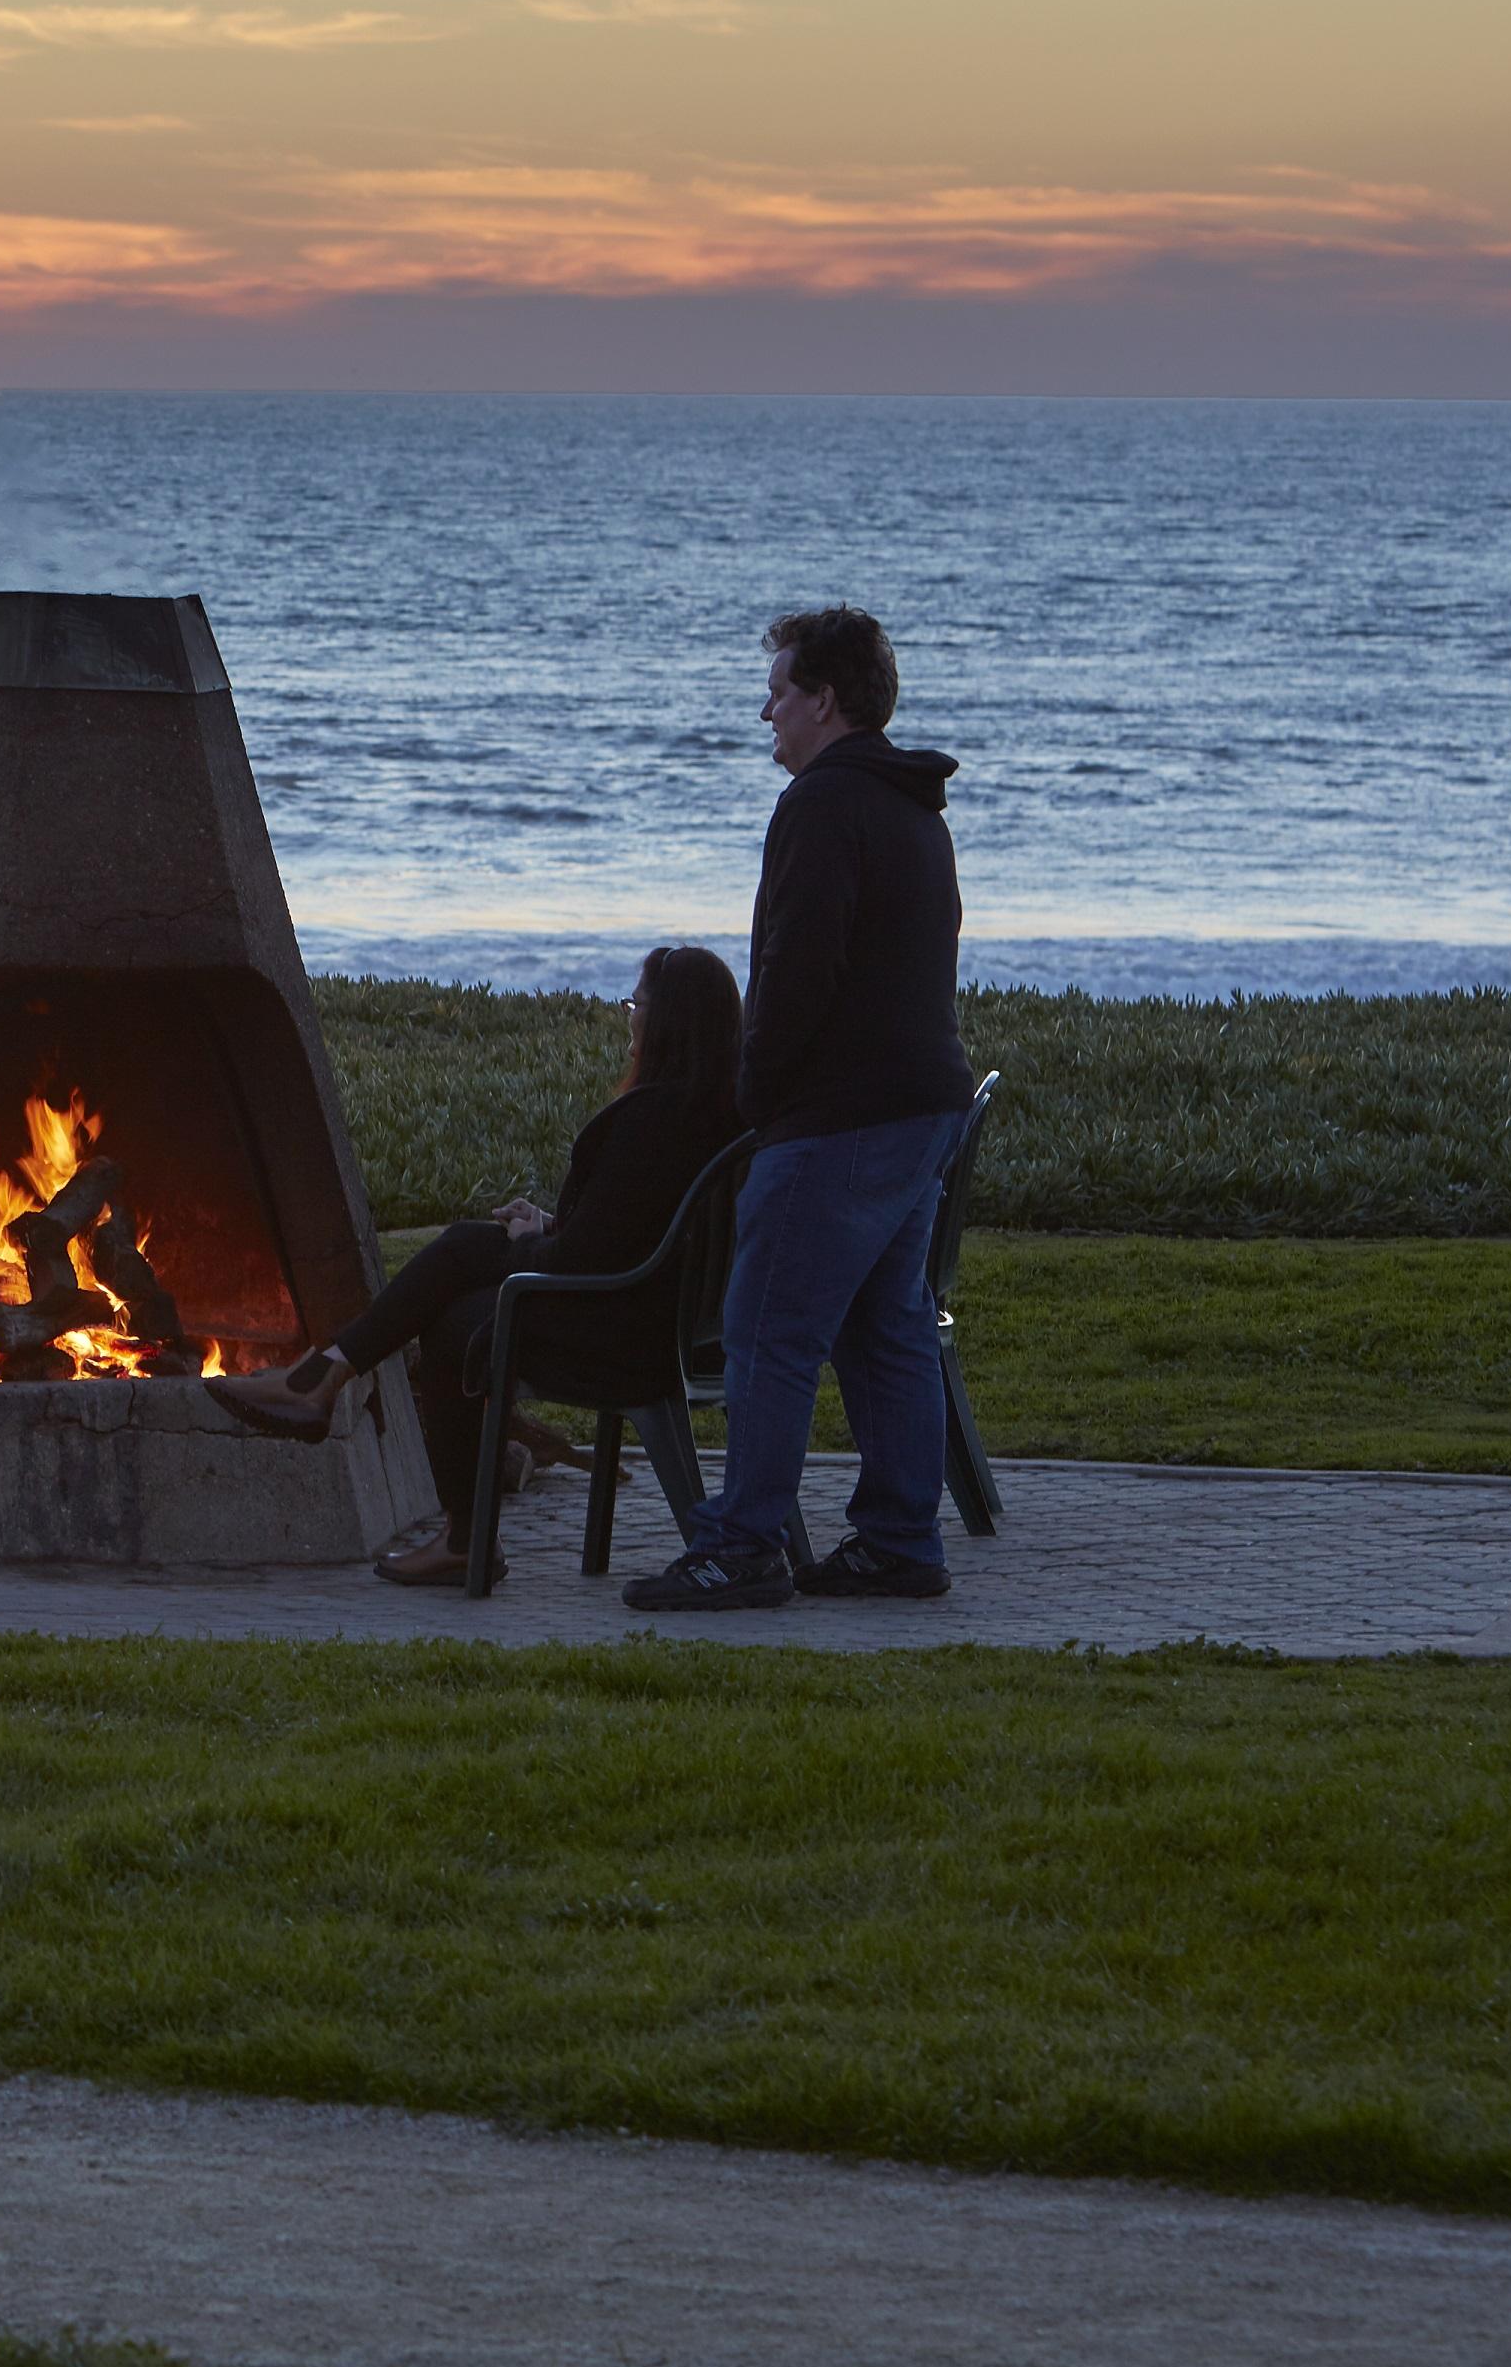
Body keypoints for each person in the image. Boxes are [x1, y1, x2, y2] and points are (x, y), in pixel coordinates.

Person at [626, 605, 981, 1613]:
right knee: (885, 1325)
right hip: (921, 1103)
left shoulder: (824, 805)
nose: (765, 711)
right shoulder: (913, 807)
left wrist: (758, 1090)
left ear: (824, 701)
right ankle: (898, 1539)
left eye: (779, 691)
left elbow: (797, 968)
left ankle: (742, 1543)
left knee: (769, 1329)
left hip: (840, 1114)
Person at [207, 946, 748, 1586]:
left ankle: (453, 1523)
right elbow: (631, 1234)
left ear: (666, 1023)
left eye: (638, 1004)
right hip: (659, 1321)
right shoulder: (715, 1115)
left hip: (619, 1334)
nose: (630, 1017)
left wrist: (529, 1243)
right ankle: (326, 1379)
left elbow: (583, 1262)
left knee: (457, 1324)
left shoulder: (650, 1123)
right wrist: (543, 1225)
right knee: (467, 1244)